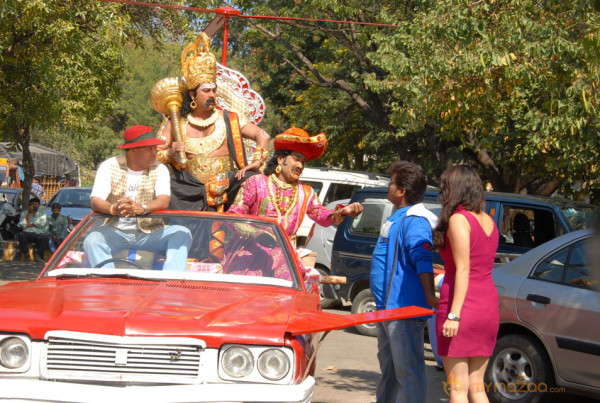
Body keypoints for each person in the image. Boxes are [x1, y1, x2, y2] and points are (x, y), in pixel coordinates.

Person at [156, 33, 270, 212]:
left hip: (227, 188)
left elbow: (262, 135)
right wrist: (170, 152)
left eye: (214, 91)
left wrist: (257, 161)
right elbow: (155, 154)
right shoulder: (176, 123)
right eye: (207, 91)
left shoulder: (230, 118)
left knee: (254, 180)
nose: (212, 95)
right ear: (193, 95)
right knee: (165, 184)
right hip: (188, 192)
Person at [369, 161, 439, 403]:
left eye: (391, 182)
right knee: (389, 371)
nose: (388, 186)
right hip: (386, 310)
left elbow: (422, 256)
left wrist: (430, 297)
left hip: (403, 312)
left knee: (408, 373)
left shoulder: (416, 220)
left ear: (402, 191)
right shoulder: (398, 217)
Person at [83, 125, 192, 271]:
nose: (155, 153)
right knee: (92, 240)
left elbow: (164, 200)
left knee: (182, 233)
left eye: (155, 148)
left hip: (149, 232)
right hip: (113, 230)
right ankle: (107, 280)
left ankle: (171, 281)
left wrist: (142, 208)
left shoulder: (160, 169)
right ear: (133, 150)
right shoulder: (109, 166)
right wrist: (114, 209)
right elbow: (95, 201)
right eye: (149, 149)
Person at [433, 165, 499, 403]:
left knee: (458, 389)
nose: (442, 191)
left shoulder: (460, 219)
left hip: (461, 307)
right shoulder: (489, 221)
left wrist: (454, 315)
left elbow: (463, 269)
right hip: (487, 307)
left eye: (445, 186)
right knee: (477, 387)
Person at [227, 128, 363, 244]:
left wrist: (342, 211)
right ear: (281, 159)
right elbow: (233, 218)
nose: (300, 166)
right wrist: (255, 234)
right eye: (296, 160)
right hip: (250, 253)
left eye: (303, 162)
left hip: (286, 257)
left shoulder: (306, 192)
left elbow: (321, 214)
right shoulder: (256, 183)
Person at [17, 197, 49, 262]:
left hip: (39, 233)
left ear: (38, 205)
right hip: (28, 233)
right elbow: (23, 225)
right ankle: (26, 255)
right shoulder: (24, 213)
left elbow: (42, 224)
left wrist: (30, 224)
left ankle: (38, 256)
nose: (34, 206)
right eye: (32, 204)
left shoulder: (42, 213)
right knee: (21, 235)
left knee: (45, 237)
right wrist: (29, 214)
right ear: (29, 205)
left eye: (35, 204)